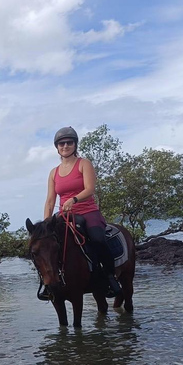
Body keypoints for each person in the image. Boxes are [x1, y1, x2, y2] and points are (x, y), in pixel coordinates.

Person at [41, 126, 122, 300]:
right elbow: (50, 201)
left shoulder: (84, 164)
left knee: (98, 239)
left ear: (75, 144)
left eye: (69, 142)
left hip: (87, 211)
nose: (65, 146)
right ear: (57, 147)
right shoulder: (53, 173)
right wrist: (46, 224)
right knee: (46, 248)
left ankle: (110, 278)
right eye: (61, 143)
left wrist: (74, 200)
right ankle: (48, 284)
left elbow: (90, 189)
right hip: (64, 216)